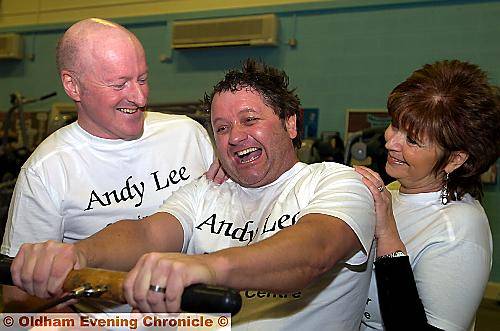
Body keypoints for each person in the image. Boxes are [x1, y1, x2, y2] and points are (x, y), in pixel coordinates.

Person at [11, 59, 376, 330]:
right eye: (221, 128)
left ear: (290, 122)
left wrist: (207, 267)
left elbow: (314, 252)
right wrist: (76, 254)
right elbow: (147, 232)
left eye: (250, 120)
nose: (234, 137)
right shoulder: (207, 191)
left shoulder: (334, 182)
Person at [1, 18, 214, 309]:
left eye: (142, 79)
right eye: (119, 84)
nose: (139, 98)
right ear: (73, 85)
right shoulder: (47, 171)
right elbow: (16, 299)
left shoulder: (188, 135)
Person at [356, 60, 500, 331]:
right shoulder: (396, 189)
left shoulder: (459, 233)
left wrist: (387, 234)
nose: (390, 141)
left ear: (455, 159)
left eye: (412, 140)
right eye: (395, 124)